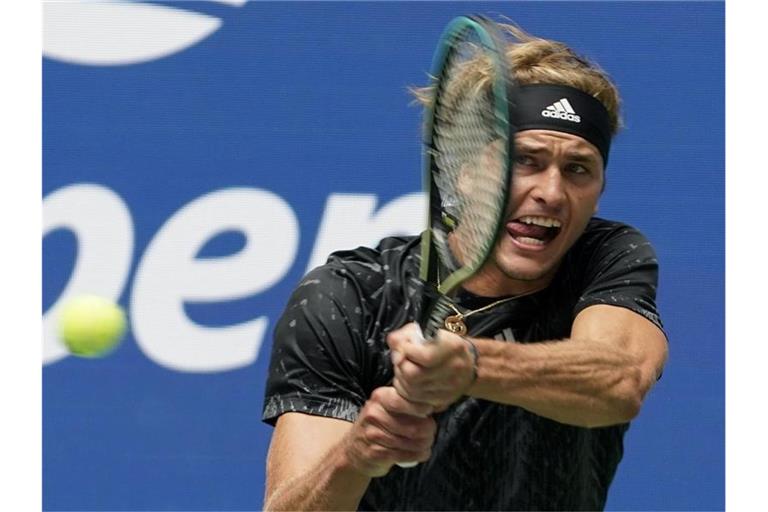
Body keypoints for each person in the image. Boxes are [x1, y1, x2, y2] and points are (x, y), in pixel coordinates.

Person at [261, 19, 668, 511]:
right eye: (527, 161)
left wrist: (469, 366)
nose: (553, 192)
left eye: (578, 169)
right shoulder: (349, 294)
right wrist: (356, 455)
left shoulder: (607, 256)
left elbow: (620, 381)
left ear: (600, 189)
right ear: (465, 169)